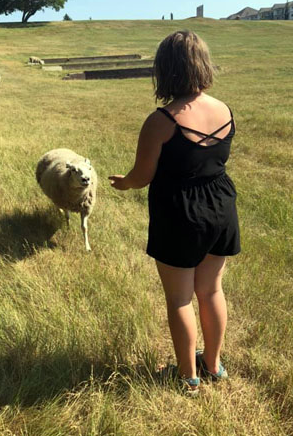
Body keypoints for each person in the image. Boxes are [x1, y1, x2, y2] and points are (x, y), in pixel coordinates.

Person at [109, 30, 239, 397]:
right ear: (202, 64)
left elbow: (143, 175)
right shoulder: (224, 110)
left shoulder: (161, 121)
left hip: (179, 213)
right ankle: (213, 366)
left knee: (180, 298)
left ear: (165, 70)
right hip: (222, 207)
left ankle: (187, 378)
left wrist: (125, 183)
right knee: (212, 290)